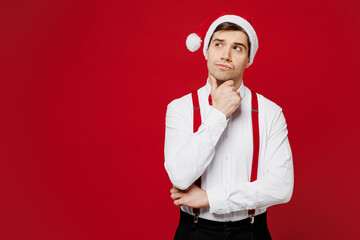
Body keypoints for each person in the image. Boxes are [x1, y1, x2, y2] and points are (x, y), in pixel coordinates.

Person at [164, 13, 294, 240]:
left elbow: (282, 186)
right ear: (206, 51)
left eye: (237, 48)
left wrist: (211, 198)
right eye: (218, 44)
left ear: (248, 59)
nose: (225, 55)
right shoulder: (180, 108)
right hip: (194, 232)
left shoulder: (270, 112)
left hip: (252, 232)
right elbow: (180, 177)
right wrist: (219, 113)